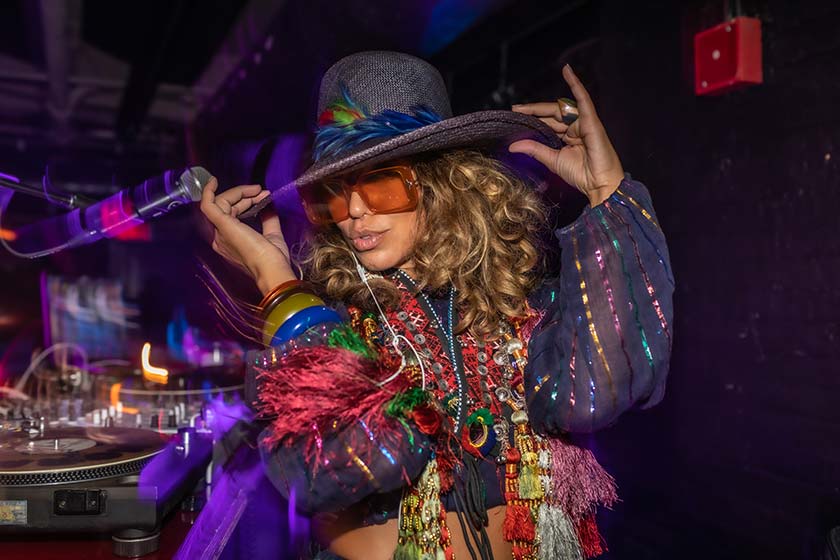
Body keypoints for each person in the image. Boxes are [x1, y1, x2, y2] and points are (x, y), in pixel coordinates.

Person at [200, 51, 674, 560]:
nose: (354, 212)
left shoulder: (519, 302)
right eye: (336, 193)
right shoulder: (328, 323)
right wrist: (280, 289)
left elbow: (596, 396)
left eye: (380, 181)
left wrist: (606, 192)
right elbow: (345, 463)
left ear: (443, 181)